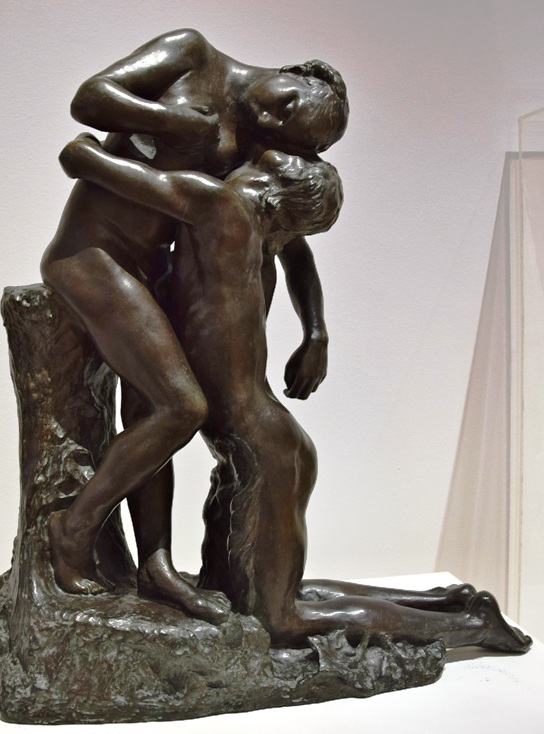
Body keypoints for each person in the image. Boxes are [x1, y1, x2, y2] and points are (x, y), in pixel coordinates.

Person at [58, 133, 531, 655]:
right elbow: (297, 254)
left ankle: (473, 626)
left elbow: (93, 163)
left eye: (264, 167)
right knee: (257, 593)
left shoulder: (222, 207)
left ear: (271, 198)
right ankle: (446, 602)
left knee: (280, 618)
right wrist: (316, 332)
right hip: (261, 445)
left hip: (266, 454)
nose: (247, 162)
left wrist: (102, 141)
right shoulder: (250, 224)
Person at [41, 29, 348, 624]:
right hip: (94, 254)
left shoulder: (249, 144)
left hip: (150, 271)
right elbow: (89, 100)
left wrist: (315, 329)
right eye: (286, 102)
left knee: (148, 411)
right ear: (298, 71)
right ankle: (72, 528)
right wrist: (167, 121)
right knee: (182, 407)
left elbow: (287, 238)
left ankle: (155, 565)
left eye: (283, 129)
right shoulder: (192, 54)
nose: (269, 117)